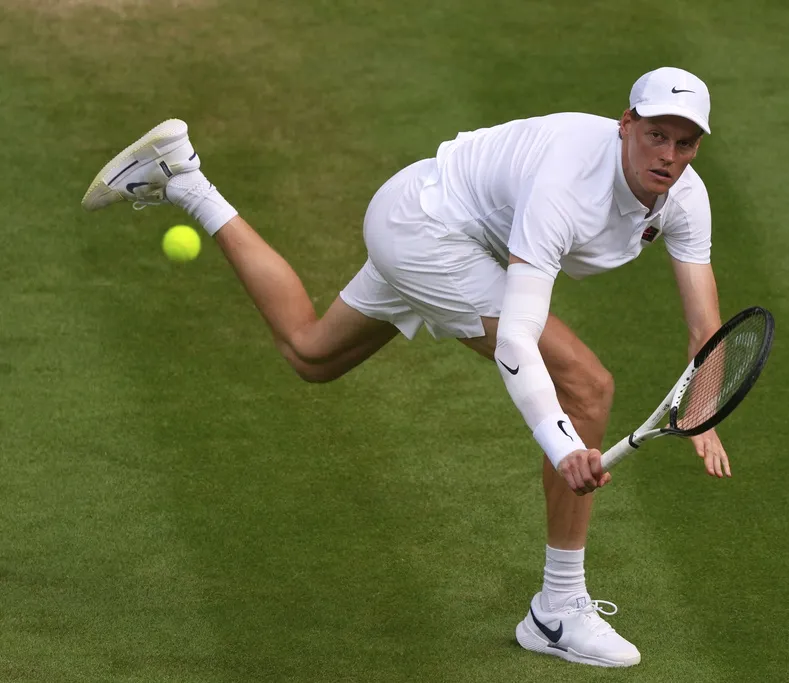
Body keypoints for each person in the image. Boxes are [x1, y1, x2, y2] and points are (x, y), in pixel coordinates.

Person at [81, 66, 731, 668]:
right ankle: (557, 612)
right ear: (626, 123)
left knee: (311, 353)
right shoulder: (567, 184)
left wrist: (703, 409)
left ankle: (186, 178)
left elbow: (705, 325)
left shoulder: (685, 198)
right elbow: (518, 339)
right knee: (586, 386)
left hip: (436, 219)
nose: (667, 156)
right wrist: (562, 445)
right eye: (655, 135)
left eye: (684, 142)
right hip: (428, 230)